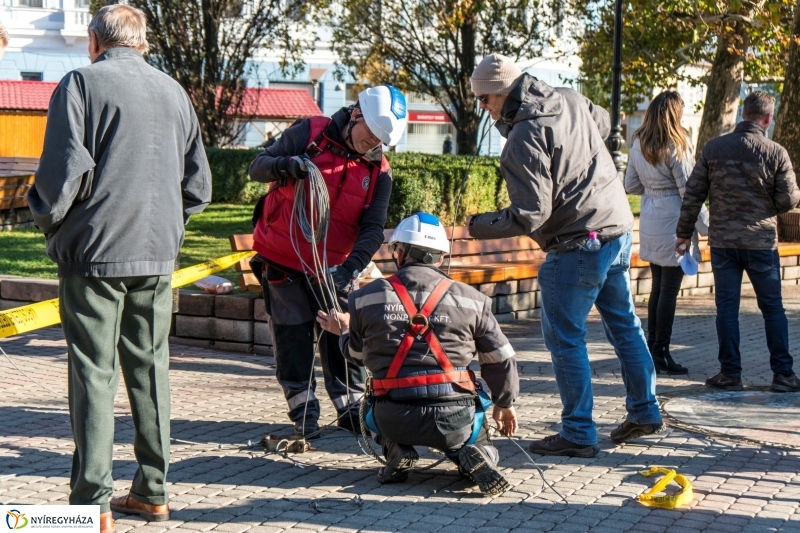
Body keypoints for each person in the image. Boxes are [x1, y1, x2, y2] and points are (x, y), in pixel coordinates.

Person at [27, 6, 211, 533]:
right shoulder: (176, 93)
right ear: (144, 43)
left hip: (93, 254)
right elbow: (198, 188)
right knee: (151, 370)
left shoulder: (80, 84)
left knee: (93, 372)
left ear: (94, 40)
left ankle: (91, 506)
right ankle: (154, 493)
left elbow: (60, 177)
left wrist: (49, 224)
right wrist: (168, 225)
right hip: (157, 256)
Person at [467, 53, 663, 458]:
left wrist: (478, 225)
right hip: (616, 228)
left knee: (566, 339)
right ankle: (645, 410)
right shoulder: (569, 98)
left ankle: (577, 432)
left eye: (484, 100)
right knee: (624, 324)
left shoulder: (524, 138)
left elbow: (530, 213)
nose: (482, 108)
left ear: (502, 92)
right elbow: (604, 122)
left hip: (577, 243)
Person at [316, 213, 519, 495]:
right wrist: (504, 402)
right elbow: (500, 359)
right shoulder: (473, 299)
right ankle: (475, 455)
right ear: (439, 258)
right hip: (455, 419)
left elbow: (357, 357)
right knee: (477, 435)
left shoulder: (364, 298)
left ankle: (395, 447)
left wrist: (346, 332)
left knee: (367, 409)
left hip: (391, 416)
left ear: (400, 253)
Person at [248, 85, 407, 439]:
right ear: (356, 115)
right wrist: (286, 165)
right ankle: (303, 408)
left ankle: (349, 405)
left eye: (383, 140)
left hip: (333, 267)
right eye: (372, 134)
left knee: (340, 331)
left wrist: (349, 270)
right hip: (282, 257)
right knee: (293, 336)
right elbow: (257, 168)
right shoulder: (311, 133)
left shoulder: (379, 171)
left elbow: (371, 229)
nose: (375, 144)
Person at [675, 91, 800, 393]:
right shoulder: (776, 152)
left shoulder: (713, 148)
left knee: (726, 309)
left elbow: (693, 194)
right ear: (768, 118)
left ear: (743, 114)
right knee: (772, 309)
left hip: (724, 243)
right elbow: (788, 199)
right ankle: (783, 374)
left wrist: (682, 233)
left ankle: (730, 373)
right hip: (761, 242)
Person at [625, 91, 708, 375]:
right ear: (675, 114)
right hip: (675, 218)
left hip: (650, 216)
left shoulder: (638, 141)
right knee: (668, 290)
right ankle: (661, 352)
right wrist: (706, 224)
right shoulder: (677, 143)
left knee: (658, 287)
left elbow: (631, 184)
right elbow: (689, 190)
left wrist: (653, 188)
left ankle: (652, 350)